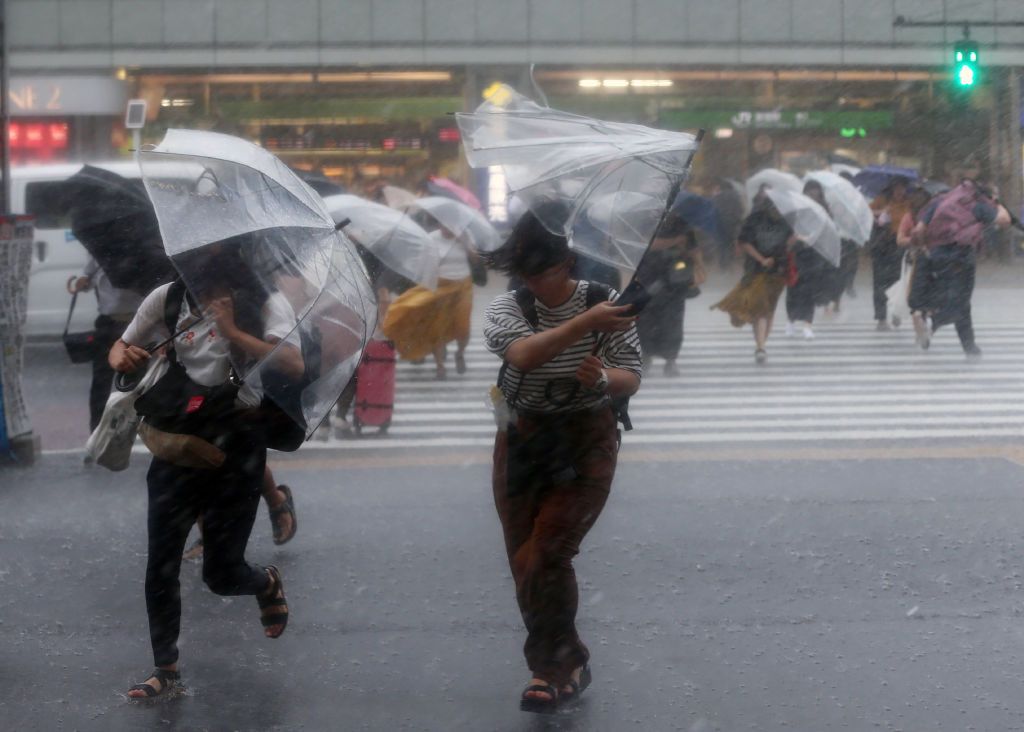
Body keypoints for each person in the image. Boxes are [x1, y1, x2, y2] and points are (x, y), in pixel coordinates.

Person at [109, 244, 300, 699]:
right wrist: (123, 357)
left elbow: (293, 364)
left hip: (238, 444)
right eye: (192, 268)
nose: (199, 281)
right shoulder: (168, 298)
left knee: (221, 574)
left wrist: (233, 330)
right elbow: (123, 344)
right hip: (181, 438)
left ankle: (264, 582)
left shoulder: (266, 302)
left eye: (211, 270)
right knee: (161, 562)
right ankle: (165, 669)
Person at [483, 209, 641, 713]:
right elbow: (524, 356)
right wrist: (585, 325)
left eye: (541, 270)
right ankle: (566, 660)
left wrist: (602, 379)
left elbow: (631, 375)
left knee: (545, 554)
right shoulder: (508, 308)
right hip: (522, 438)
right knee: (522, 560)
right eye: (524, 273)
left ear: (566, 261)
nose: (532, 281)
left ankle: (546, 670)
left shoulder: (605, 302)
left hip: (585, 439)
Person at [909, 176, 1010, 358]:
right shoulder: (978, 204)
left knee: (958, 303)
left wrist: (926, 247)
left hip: (936, 257)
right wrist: (998, 204)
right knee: (959, 303)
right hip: (961, 258)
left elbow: (919, 229)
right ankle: (933, 323)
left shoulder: (941, 201)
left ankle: (969, 347)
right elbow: (1004, 221)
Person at [712, 190, 797, 364]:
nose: (777, 211)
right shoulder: (754, 220)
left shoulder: (787, 222)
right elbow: (745, 242)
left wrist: (792, 243)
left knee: (769, 310)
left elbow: (787, 246)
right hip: (756, 270)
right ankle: (760, 347)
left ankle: (762, 343)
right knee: (760, 309)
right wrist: (761, 259)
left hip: (778, 271)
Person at [382, 223, 476, 379]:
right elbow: (423, 263)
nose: (447, 227)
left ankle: (460, 353)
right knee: (437, 327)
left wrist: (465, 243)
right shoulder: (432, 238)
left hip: (463, 286)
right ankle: (440, 366)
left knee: (463, 329)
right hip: (439, 285)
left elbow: (477, 259)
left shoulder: (465, 235)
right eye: (443, 223)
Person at [68, 257, 144, 432]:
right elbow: (87, 278)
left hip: (136, 324)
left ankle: (135, 425)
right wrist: (82, 282)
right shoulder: (101, 252)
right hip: (108, 324)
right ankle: (96, 429)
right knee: (102, 379)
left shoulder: (141, 256)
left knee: (137, 380)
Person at [635, 212, 705, 374]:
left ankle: (671, 359)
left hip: (676, 279)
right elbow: (647, 243)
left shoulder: (682, 222)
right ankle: (646, 356)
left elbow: (693, 248)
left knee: (673, 319)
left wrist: (699, 265)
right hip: (649, 277)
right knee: (646, 320)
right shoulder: (646, 220)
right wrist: (676, 240)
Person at [784, 181, 833, 340]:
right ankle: (791, 321)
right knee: (793, 288)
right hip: (796, 253)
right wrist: (793, 239)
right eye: (810, 192)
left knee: (809, 290)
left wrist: (814, 237)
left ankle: (807, 324)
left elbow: (829, 231)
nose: (813, 195)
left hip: (815, 254)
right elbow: (787, 229)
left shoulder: (824, 211)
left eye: (816, 193)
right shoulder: (796, 209)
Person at [869, 177, 912, 330]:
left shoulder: (909, 203)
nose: (900, 191)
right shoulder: (882, 200)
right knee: (880, 282)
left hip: (900, 246)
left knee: (898, 282)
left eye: (903, 187)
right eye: (897, 187)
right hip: (882, 245)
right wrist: (881, 213)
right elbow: (867, 212)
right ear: (892, 188)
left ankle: (896, 313)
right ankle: (881, 318)